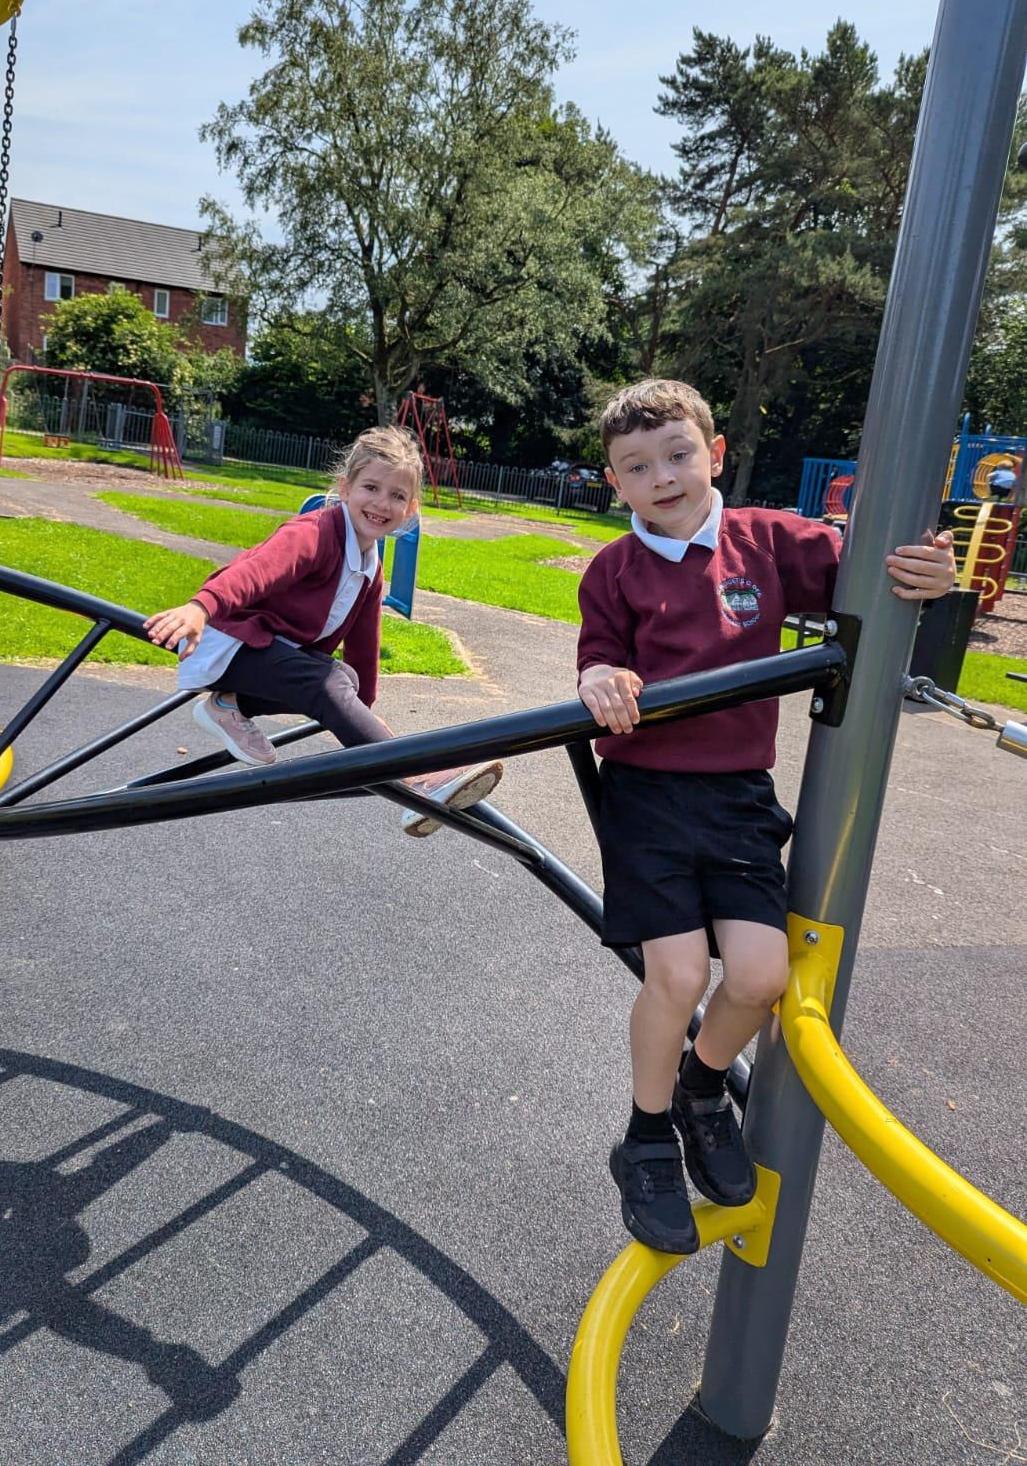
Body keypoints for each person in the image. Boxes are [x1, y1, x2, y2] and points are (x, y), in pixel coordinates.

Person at [576, 378, 956, 1253]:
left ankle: (700, 1087)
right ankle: (643, 1138)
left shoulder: (769, 541)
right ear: (615, 481)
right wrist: (600, 677)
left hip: (737, 794)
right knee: (676, 977)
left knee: (759, 976)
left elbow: (875, 567)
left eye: (678, 455)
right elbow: (598, 657)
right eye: (638, 466)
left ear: (714, 455)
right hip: (647, 796)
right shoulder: (614, 570)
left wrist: (930, 573)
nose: (662, 477)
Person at [144, 425, 503, 838]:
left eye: (397, 496)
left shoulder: (370, 569)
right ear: (345, 488)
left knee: (345, 679)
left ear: (411, 509)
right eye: (371, 488)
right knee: (326, 682)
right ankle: (416, 779)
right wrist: (202, 607)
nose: (381, 503)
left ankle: (229, 705)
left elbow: (363, 651)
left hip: (270, 656)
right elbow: (255, 572)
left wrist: (362, 715)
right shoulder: (313, 533)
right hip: (231, 643)